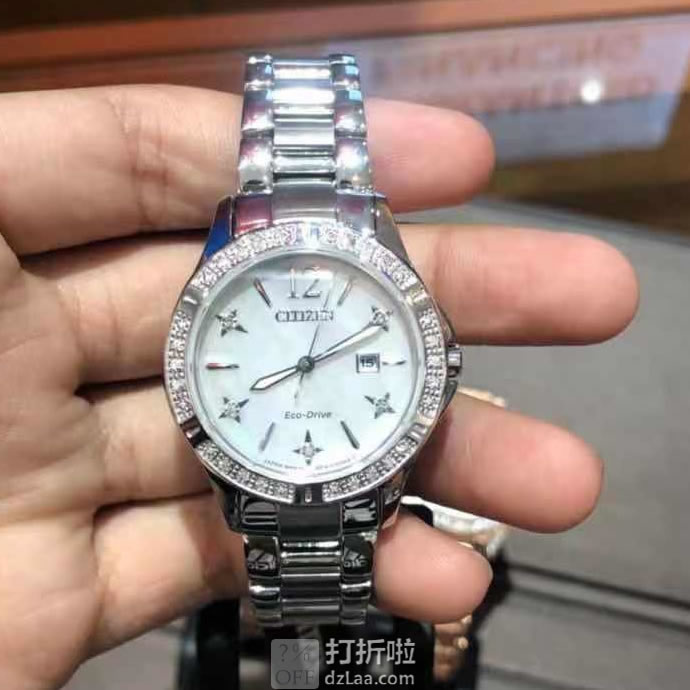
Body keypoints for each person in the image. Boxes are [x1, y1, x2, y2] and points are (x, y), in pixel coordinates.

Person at [0, 85, 638, 690]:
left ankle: (295, 664)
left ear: (436, 363)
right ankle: (293, 662)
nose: (305, 364)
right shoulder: (276, 251)